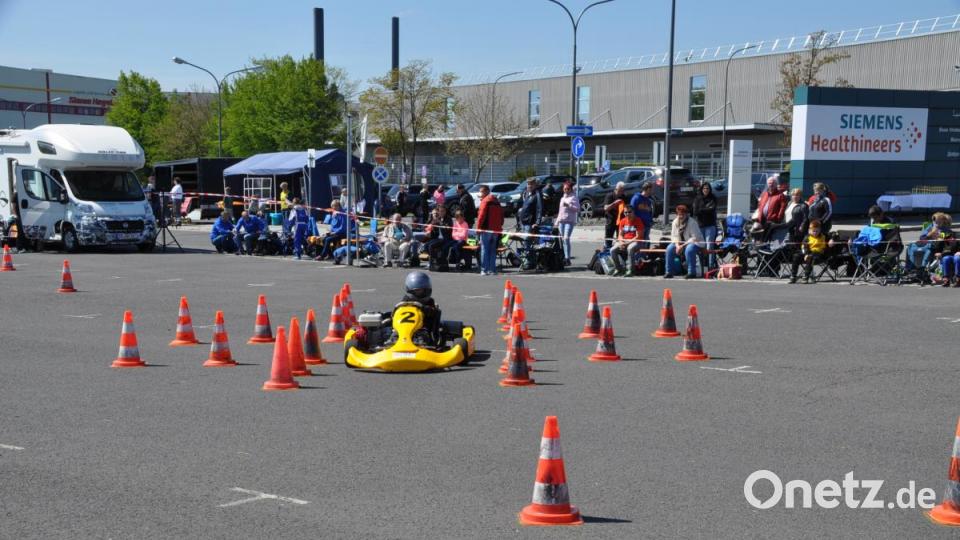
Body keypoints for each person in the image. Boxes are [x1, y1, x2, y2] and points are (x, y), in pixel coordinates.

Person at [400, 271, 441, 342]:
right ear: (410, 291)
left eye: (422, 290)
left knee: (437, 312)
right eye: (417, 291)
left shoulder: (429, 301)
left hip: (422, 328)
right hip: (403, 327)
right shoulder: (405, 300)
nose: (420, 293)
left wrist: (423, 308)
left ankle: (430, 340)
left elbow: (433, 312)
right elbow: (397, 311)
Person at [665, 204, 704, 279]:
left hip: (695, 242)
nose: (681, 216)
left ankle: (691, 272)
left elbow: (694, 238)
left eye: (683, 214)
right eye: (679, 214)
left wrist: (682, 246)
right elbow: (674, 236)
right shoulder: (675, 222)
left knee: (689, 249)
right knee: (669, 248)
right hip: (681, 243)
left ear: (686, 214)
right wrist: (677, 246)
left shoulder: (692, 222)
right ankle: (669, 272)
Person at [789, 219, 829, 284]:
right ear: (810, 230)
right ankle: (793, 276)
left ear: (819, 230)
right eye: (813, 231)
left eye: (817, 231)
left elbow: (833, 236)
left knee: (810, 257)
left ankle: (806, 276)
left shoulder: (823, 236)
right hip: (807, 252)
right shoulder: (807, 237)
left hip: (818, 254)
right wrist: (806, 254)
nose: (815, 233)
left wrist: (832, 239)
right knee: (796, 256)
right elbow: (804, 247)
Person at [476, 184, 504, 276]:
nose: (480, 193)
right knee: (492, 250)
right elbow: (501, 216)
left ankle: (484, 269)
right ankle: (492, 269)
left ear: (486, 191)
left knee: (484, 249)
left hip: (486, 229)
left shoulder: (485, 201)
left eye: (481, 191)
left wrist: (478, 229)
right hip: (496, 230)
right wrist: (500, 226)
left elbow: (481, 217)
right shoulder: (496, 201)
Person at [611, 206, 645, 277]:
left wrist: (627, 243)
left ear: (633, 212)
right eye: (626, 212)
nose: (627, 214)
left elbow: (638, 236)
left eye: (629, 212)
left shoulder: (638, 221)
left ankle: (631, 270)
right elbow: (620, 235)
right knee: (612, 250)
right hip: (625, 241)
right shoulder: (622, 221)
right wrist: (621, 242)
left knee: (630, 248)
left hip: (637, 242)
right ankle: (618, 269)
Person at [692, 182, 718, 269]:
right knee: (700, 246)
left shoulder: (713, 198)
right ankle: (702, 265)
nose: (706, 190)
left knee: (709, 246)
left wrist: (701, 210)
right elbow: (695, 212)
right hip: (700, 225)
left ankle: (711, 266)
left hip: (710, 225)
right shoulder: (697, 199)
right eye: (704, 188)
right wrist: (706, 209)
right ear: (701, 189)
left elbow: (712, 209)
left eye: (707, 188)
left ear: (710, 189)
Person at [554, 181, 580, 266]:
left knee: (566, 239)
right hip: (561, 221)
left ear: (570, 189)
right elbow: (560, 211)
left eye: (567, 189)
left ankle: (567, 258)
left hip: (569, 221)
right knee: (562, 240)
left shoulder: (573, 197)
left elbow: (577, 209)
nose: (566, 190)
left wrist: (569, 205)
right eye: (564, 189)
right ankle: (563, 257)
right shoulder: (562, 198)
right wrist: (557, 222)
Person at [424, 205, 454, 271]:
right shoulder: (438, 218)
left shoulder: (448, 219)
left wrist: (440, 223)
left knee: (431, 246)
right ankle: (435, 260)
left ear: (445, 211)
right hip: (438, 238)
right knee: (426, 245)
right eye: (440, 211)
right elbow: (430, 226)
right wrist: (431, 226)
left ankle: (433, 263)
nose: (441, 213)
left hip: (445, 238)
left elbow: (448, 228)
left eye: (442, 211)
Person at [518, 178, 543, 254]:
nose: (529, 186)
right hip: (523, 222)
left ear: (535, 185)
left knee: (528, 242)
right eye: (528, 184)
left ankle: (529, 262)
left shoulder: (537, 194)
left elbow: (539, 209)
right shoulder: (526, 193)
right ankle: (527, 259)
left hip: (530, 223)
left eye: (531, 184)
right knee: (525, 243)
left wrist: (537, 222)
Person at [603, 182, 628, 248]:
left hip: (620, 221)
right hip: (611, 220)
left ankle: (616, 252)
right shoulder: (610, 195)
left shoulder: (624, 197)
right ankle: (606, 251)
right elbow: (606, 208)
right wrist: (615, 203)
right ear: (616, 189)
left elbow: (627, 208)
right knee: (608, 239)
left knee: (620, 238)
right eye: (620, 191)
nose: (621, 192)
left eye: (623, 191)